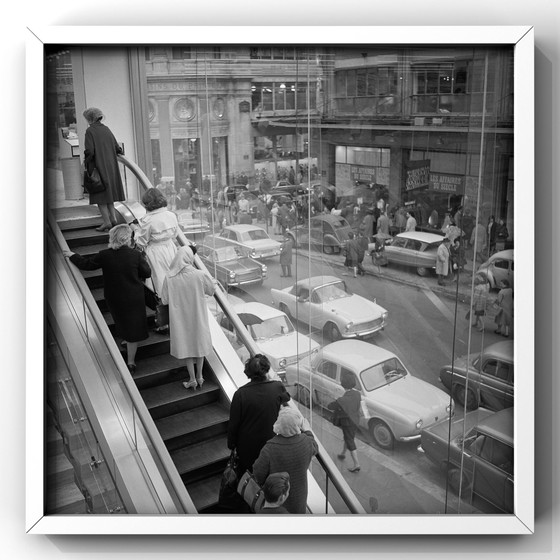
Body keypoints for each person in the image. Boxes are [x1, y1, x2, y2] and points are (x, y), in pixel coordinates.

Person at [64, 225, 151, 373]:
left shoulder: (105, 255)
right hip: (133, 297)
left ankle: (126, 339)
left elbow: (87, 265)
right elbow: (147, 273)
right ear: (128, 238)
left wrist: (72, 255)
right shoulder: (135, 255)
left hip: (114, 297)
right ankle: (130, 362)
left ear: (112, 238)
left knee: (121, 320)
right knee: (134, 326)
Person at [160, 245, 215, 389]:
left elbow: (164, 300)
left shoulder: (169, 277)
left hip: (180, 319)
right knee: (199, 344)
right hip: (198, 315)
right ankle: (200, 376)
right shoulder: (200, 274)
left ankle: (192, 379)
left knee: (186, 346)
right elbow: (211, 290)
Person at [227, 354, 290, 476]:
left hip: (246, 445)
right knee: (267, 472)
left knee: (249, 476)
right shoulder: (277, 387)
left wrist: (231, 444)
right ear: (267, 370)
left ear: (248, 372)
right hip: (270, 441)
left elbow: (233, 424)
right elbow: (286, 398)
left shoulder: (240, 394)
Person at [253, 406, 318, 514]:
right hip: (299, 497)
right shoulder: (306, 442)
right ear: (298, 425)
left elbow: (258, 473)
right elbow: (315, 446)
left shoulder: (269, 448)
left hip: (275, 500)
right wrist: (307, 430)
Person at [82, 107, 125, 231]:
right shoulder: (106, 129)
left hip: (98, 167)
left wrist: (86, 163)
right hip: (111, 167)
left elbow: (89, 151)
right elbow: (118, 148)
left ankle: (106, 222)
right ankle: (113, 219)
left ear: (90, 118)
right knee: (109, 195)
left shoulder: (90, 131)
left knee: (100, 195)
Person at [328, 371, 362, 472]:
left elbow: (330, 406)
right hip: (356, 421)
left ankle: (356, 464)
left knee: (350, 441)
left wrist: (336, 399)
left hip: (347, 424)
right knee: (348, 437)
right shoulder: (357, 394)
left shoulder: (342, 400)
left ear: (343, 385)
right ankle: (343, 453)